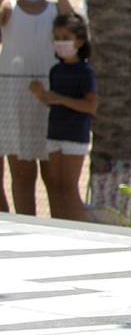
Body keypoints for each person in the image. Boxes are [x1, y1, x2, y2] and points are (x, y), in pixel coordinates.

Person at [0, 0, 74, 215]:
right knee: (22, 176)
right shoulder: (8, 9)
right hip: (14, 98)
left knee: (54, 178)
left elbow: (77, 33)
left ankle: (58, 232)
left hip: (49, 98)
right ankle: (25, 231)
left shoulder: (55, 10)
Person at [31, 13, 97, 222]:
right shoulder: (56, 70)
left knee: (68, 188)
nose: (60, 42)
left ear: (79, 40)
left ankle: (82, 232)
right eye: (57, 37)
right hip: (55, 133)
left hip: (74, 135)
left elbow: (91, 106)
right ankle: (59, 230)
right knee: (54, 186)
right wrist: (41, 95)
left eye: (65, 37)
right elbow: (52, 101)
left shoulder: (86, 72)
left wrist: (59, 98)